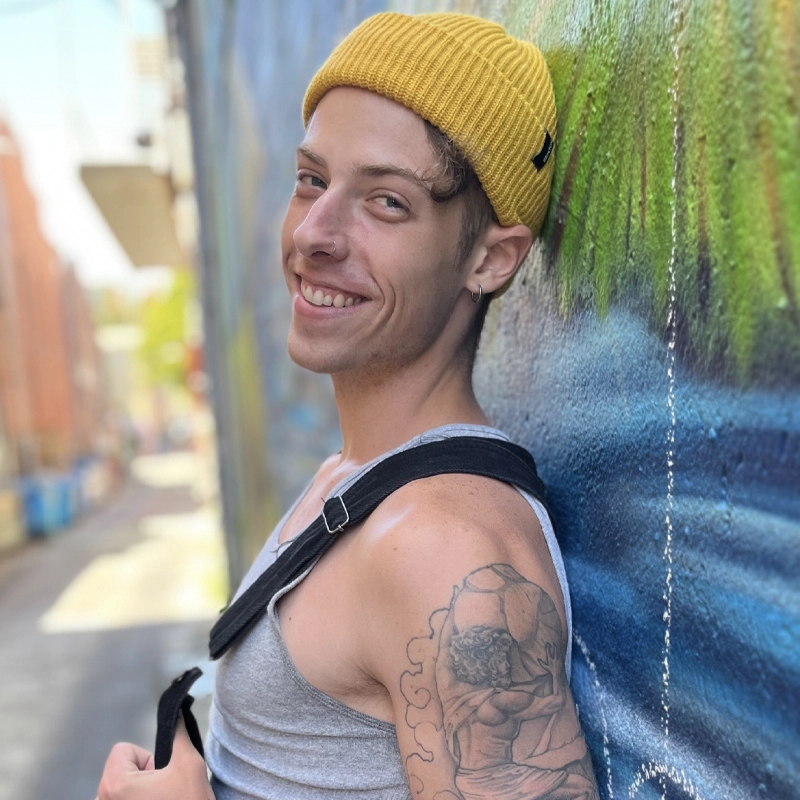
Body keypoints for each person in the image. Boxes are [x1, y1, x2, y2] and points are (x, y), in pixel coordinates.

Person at [96, 11, 599, 800]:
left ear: (489, 259)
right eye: (311, 180)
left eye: (387, 202)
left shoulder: (444, 552)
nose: (316, 234)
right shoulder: (357, 479)